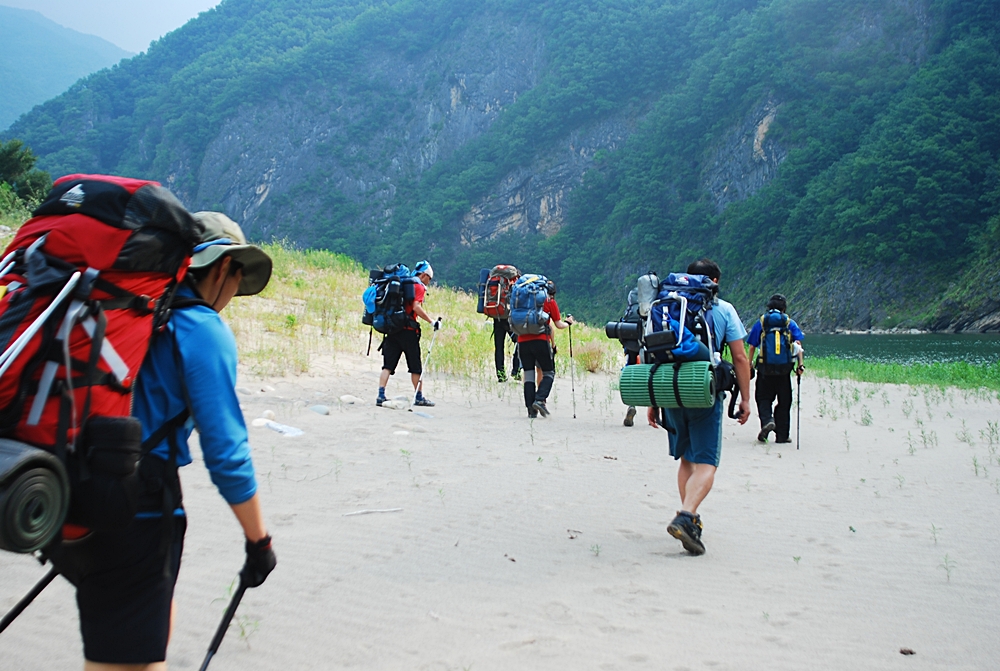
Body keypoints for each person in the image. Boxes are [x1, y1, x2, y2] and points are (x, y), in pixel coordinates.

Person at [51, 211, 277, 669]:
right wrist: (259, 541)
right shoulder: (201, 329)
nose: (234, 292)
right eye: (236, 276)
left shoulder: (122, 309)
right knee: (126, 661)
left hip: (65, 491)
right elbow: (226, 454)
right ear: (220, 269)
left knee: (135, 630)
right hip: (135, 508)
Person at [646, 258, 751, 556]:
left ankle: (689, 519)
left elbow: (652, 351)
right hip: (703, 389)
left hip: (669, 389)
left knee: (686, 459)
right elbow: (740, 358)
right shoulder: (722, 309)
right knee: (707, 462)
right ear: (714, 282)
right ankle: (687, 515)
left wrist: (654, 402)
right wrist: (745, 398)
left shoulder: (666, 305)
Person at [377, 260, 438, 407]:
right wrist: (431, 322)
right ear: (424, 275)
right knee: (415, 366)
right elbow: (416, 307)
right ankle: (418, 397)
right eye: (429, 279)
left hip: (393, 328)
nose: (428, 282)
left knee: (388, 366)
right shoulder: (418, 286)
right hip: (409, 332)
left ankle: (380, 395)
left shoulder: (402, 284)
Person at [746, 293, 805, 444]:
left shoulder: (762, 322)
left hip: (765, 369)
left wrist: (750, 363)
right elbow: (798, 345)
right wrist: (800, 365)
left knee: (763, 397)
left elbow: (752, 345)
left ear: (769, 307)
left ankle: (767, 421)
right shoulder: (789, 323)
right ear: (784, 308)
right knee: (784, 401)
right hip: (784, 369)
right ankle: (782, 436)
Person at [519, 279, 573, 418]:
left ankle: (531, 410)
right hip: (540, 340)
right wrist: (569, 322)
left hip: (522, 341)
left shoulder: (523, 300)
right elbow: (558, 325)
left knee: (529, 375)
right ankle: (540, 399)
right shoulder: (549, 302)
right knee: (549, 373)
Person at [493, 318, 521, 382]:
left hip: (498, 318)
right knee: (519, 342)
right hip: (511, 320)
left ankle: (501, 375)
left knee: (499, 347)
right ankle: (516, 370)